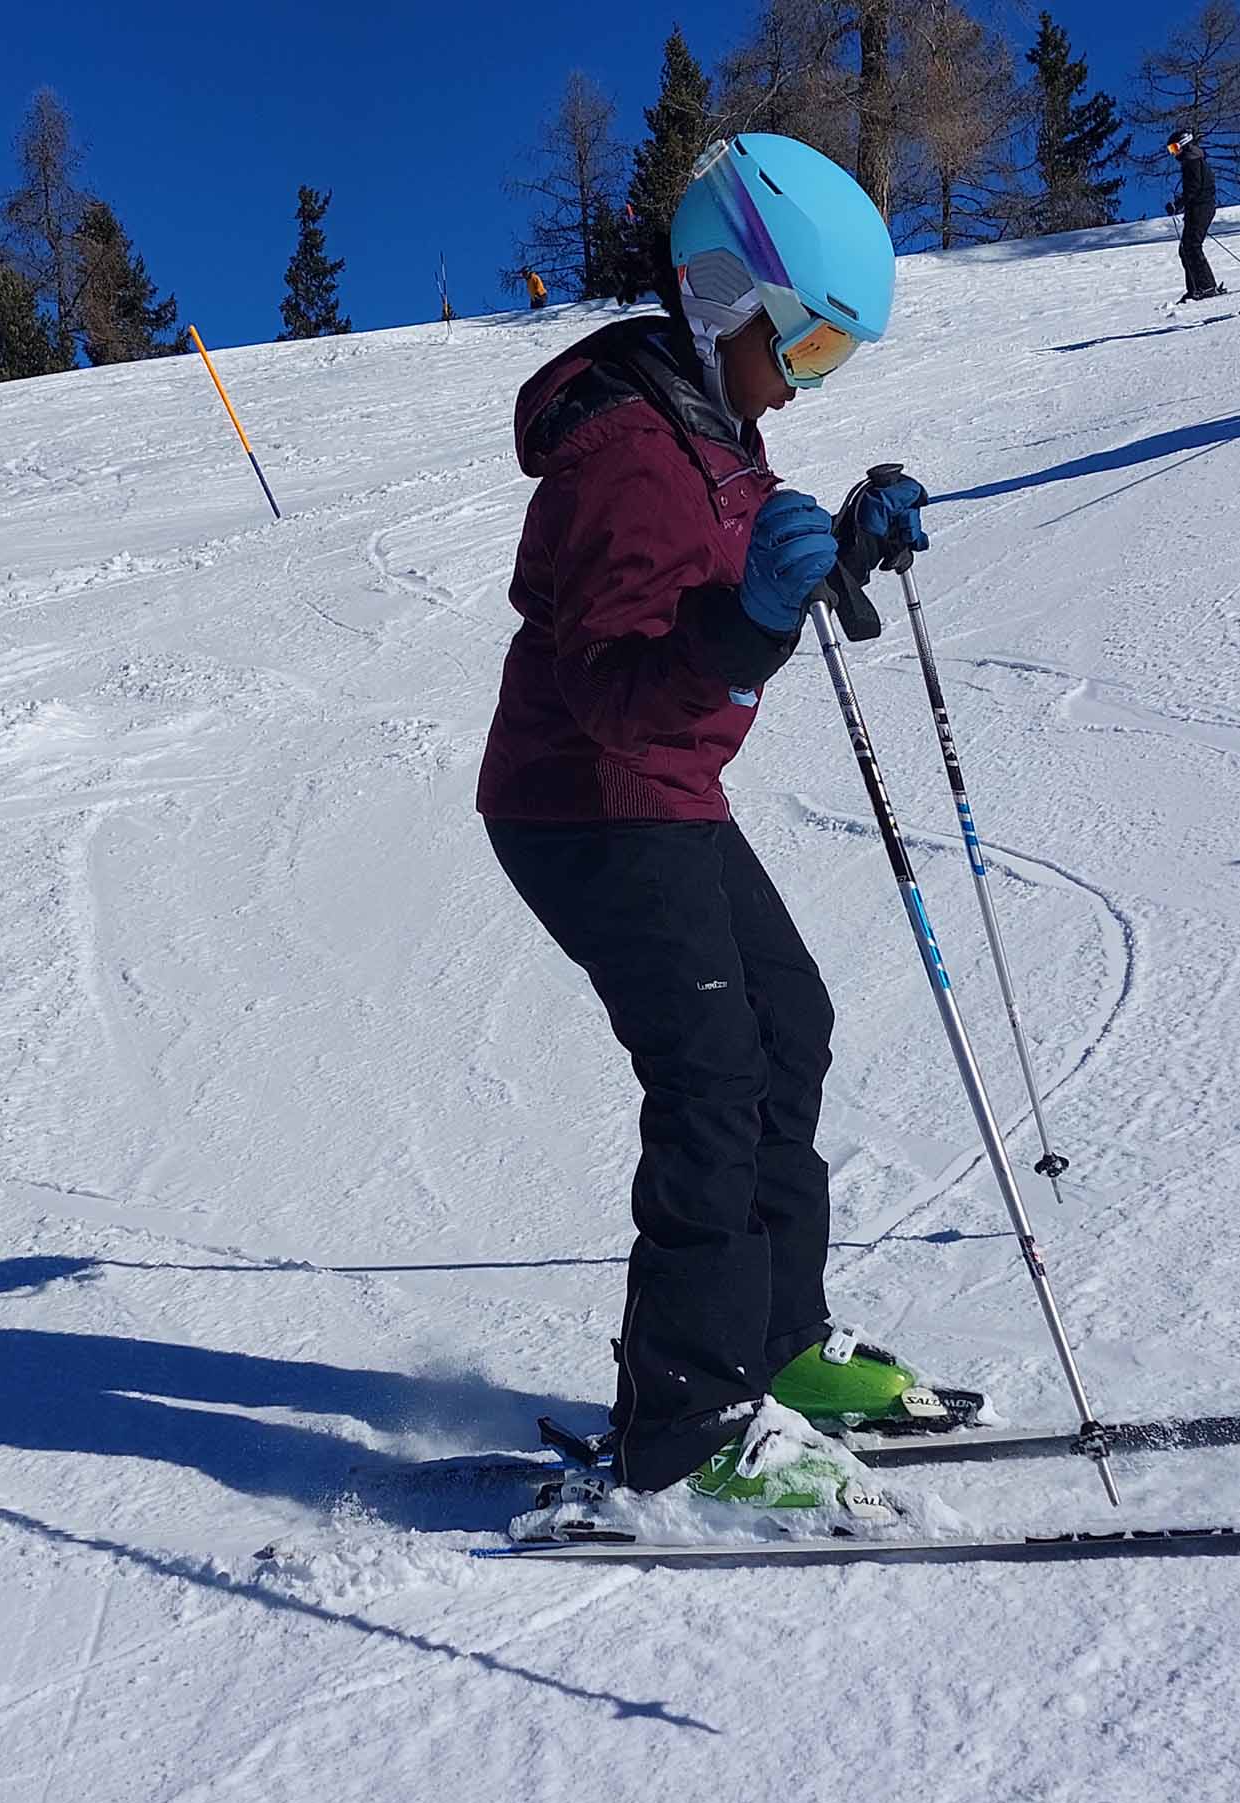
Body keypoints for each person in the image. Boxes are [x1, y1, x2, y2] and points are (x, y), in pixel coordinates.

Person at [477, 135, 961, 1519]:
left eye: (832, 357)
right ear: (720, 297)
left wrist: (835, 555)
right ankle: (685, 1428)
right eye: (805, 345)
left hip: (663, 789)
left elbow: (726, 584)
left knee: (786, 1022)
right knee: (710, 1078)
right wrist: (746, 623)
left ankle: (777, 1342)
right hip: (585, 801)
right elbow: (618, 691)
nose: (807, 382)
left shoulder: (705, 423)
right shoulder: (630, 456)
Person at [1166, 130, 1222, 302]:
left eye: (1174, 148)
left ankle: (1206, 287)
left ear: (1184, 144)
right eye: (1171, 150)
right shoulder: (1193, 161)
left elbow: (1194, 188)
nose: (1174, 153)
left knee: (1191, 246)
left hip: (1201, 208)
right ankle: (1197, 288)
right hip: (1198, 209)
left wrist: (1178, 204)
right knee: (1186, 248)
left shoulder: (1193, 162)